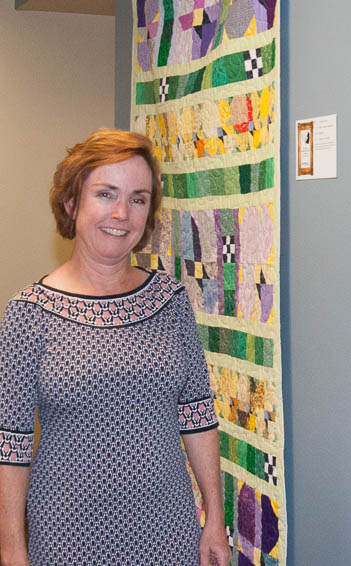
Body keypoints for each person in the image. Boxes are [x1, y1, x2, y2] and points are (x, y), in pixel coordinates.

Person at [0, 129, 231, 566]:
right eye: (106, 194)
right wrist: (12, 549)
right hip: (66, 534)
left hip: (168, 530)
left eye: (138, 199)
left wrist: (215, 518)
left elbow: (198, 415)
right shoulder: (28, 313)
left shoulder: (169, 301)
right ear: (72, 203)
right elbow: (8, 444)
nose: (122, 213)